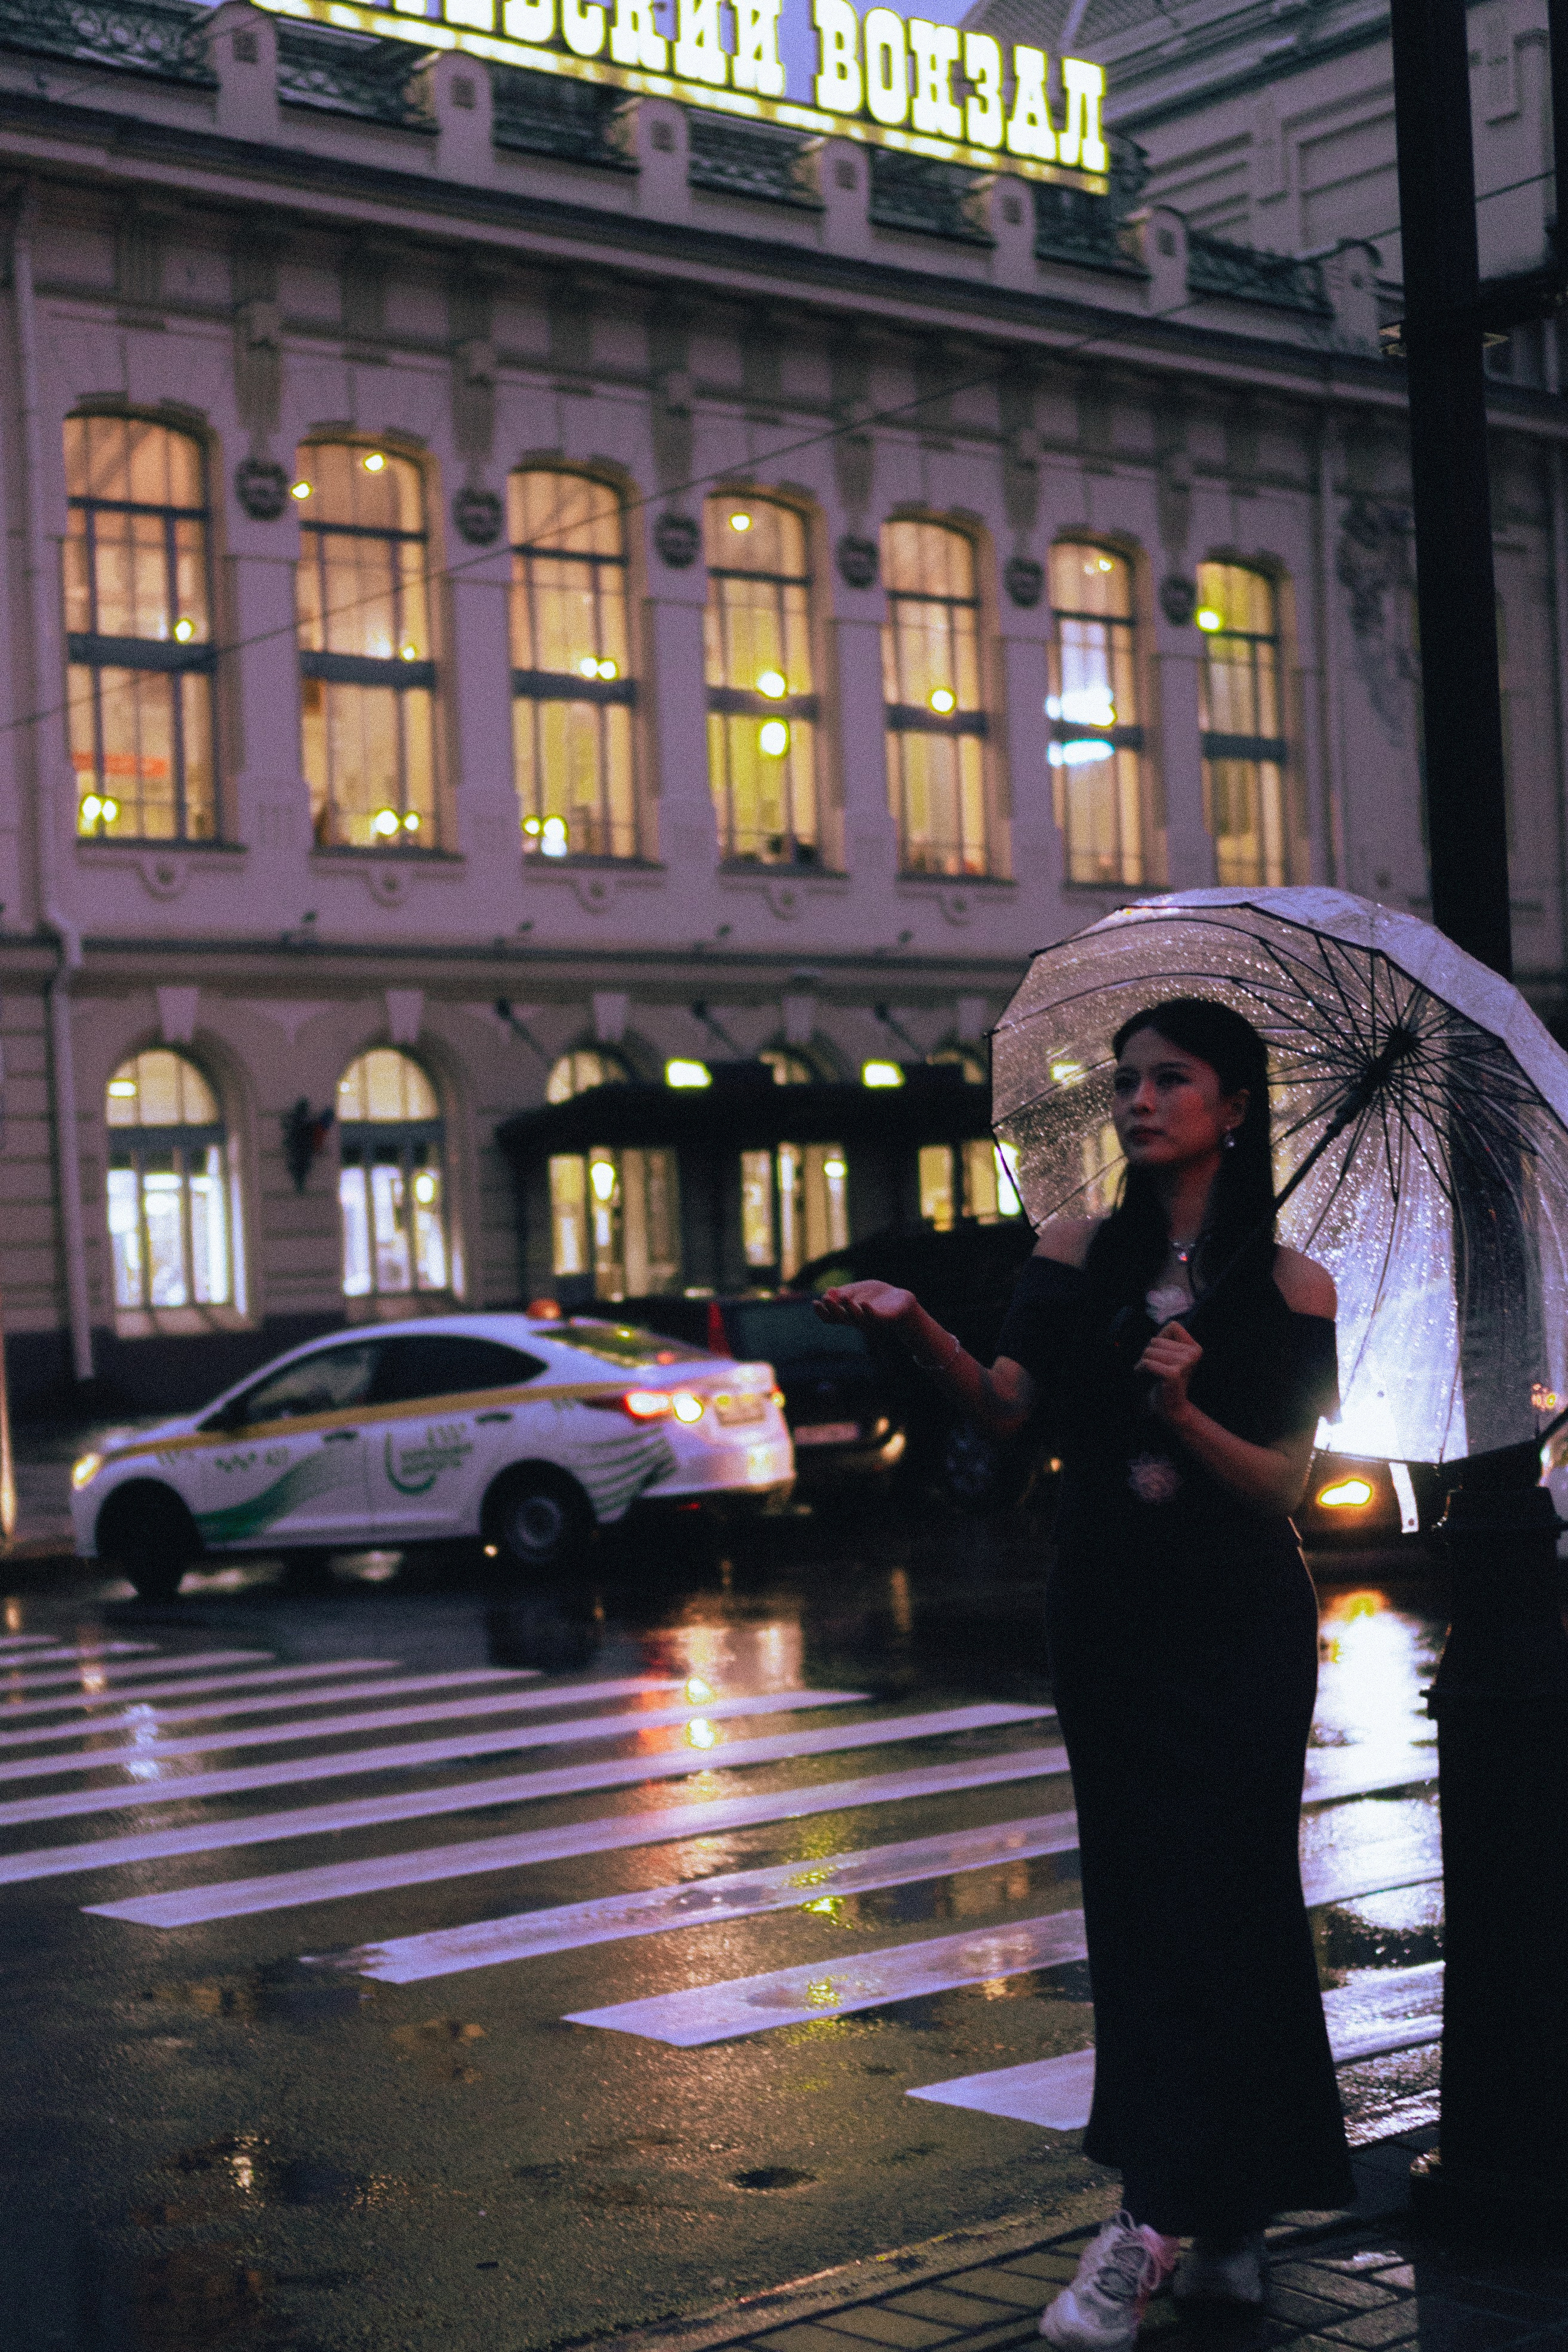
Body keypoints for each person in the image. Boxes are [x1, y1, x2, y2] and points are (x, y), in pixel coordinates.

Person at [816, 998, 1352, 2351]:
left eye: (1169, 1080)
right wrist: (912, 1323)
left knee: (1224, 1897)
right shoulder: (1072, 1249)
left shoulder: (1290, 1285)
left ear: (1233, 1108)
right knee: (1140, 1896)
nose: (1136, 1100)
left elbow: (1279, 1483)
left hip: (1234, 1616)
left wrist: (1183, 1407)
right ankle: (1216, 2219)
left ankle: (1156, 2223)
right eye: (1125, 1081)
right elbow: (1006, 1406)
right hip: (1107, 1602)